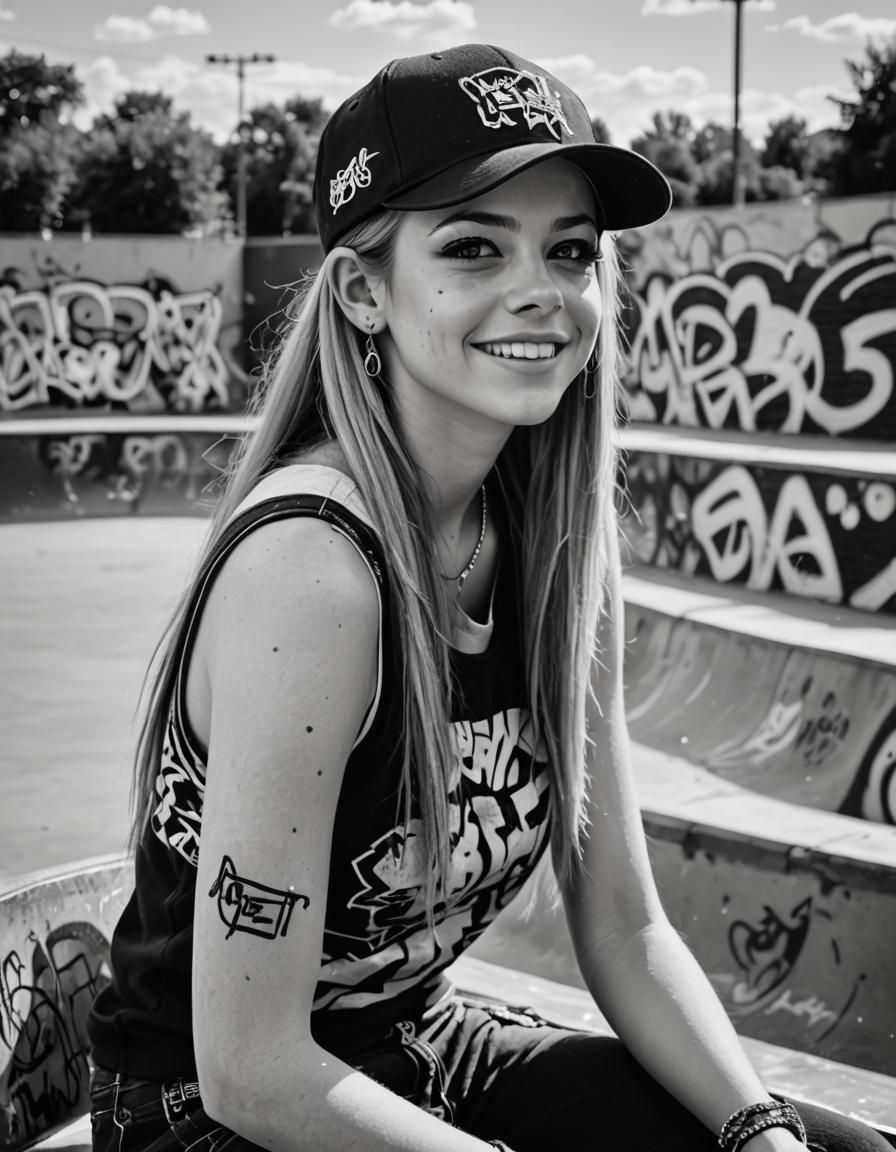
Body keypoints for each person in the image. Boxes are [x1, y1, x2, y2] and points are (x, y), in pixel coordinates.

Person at [87, 43, 890, 1152]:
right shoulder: (312, 571)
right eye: (472, 246)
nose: (541, 293)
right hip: (205, 1114)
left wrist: (756, 1131)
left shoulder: (554, 551)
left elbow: (621, 926)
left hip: (420, 1048)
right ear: (363, 291)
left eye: (571, 251)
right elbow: (248, 1070)